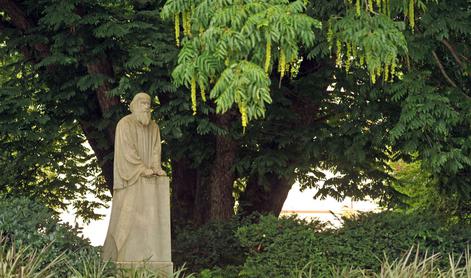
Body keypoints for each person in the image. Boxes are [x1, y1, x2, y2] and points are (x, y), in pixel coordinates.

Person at [102, 92, 171, 269]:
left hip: (148, 179)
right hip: (130, 180)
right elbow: (127, 151)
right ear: (134, 105)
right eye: (142, 102)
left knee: (150, 221)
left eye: (148, 103)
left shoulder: (154, 127)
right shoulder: (125, 124)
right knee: (127, 220)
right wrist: (141, 169)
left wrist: (156, 168)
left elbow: (156, 149)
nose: (146, 106)